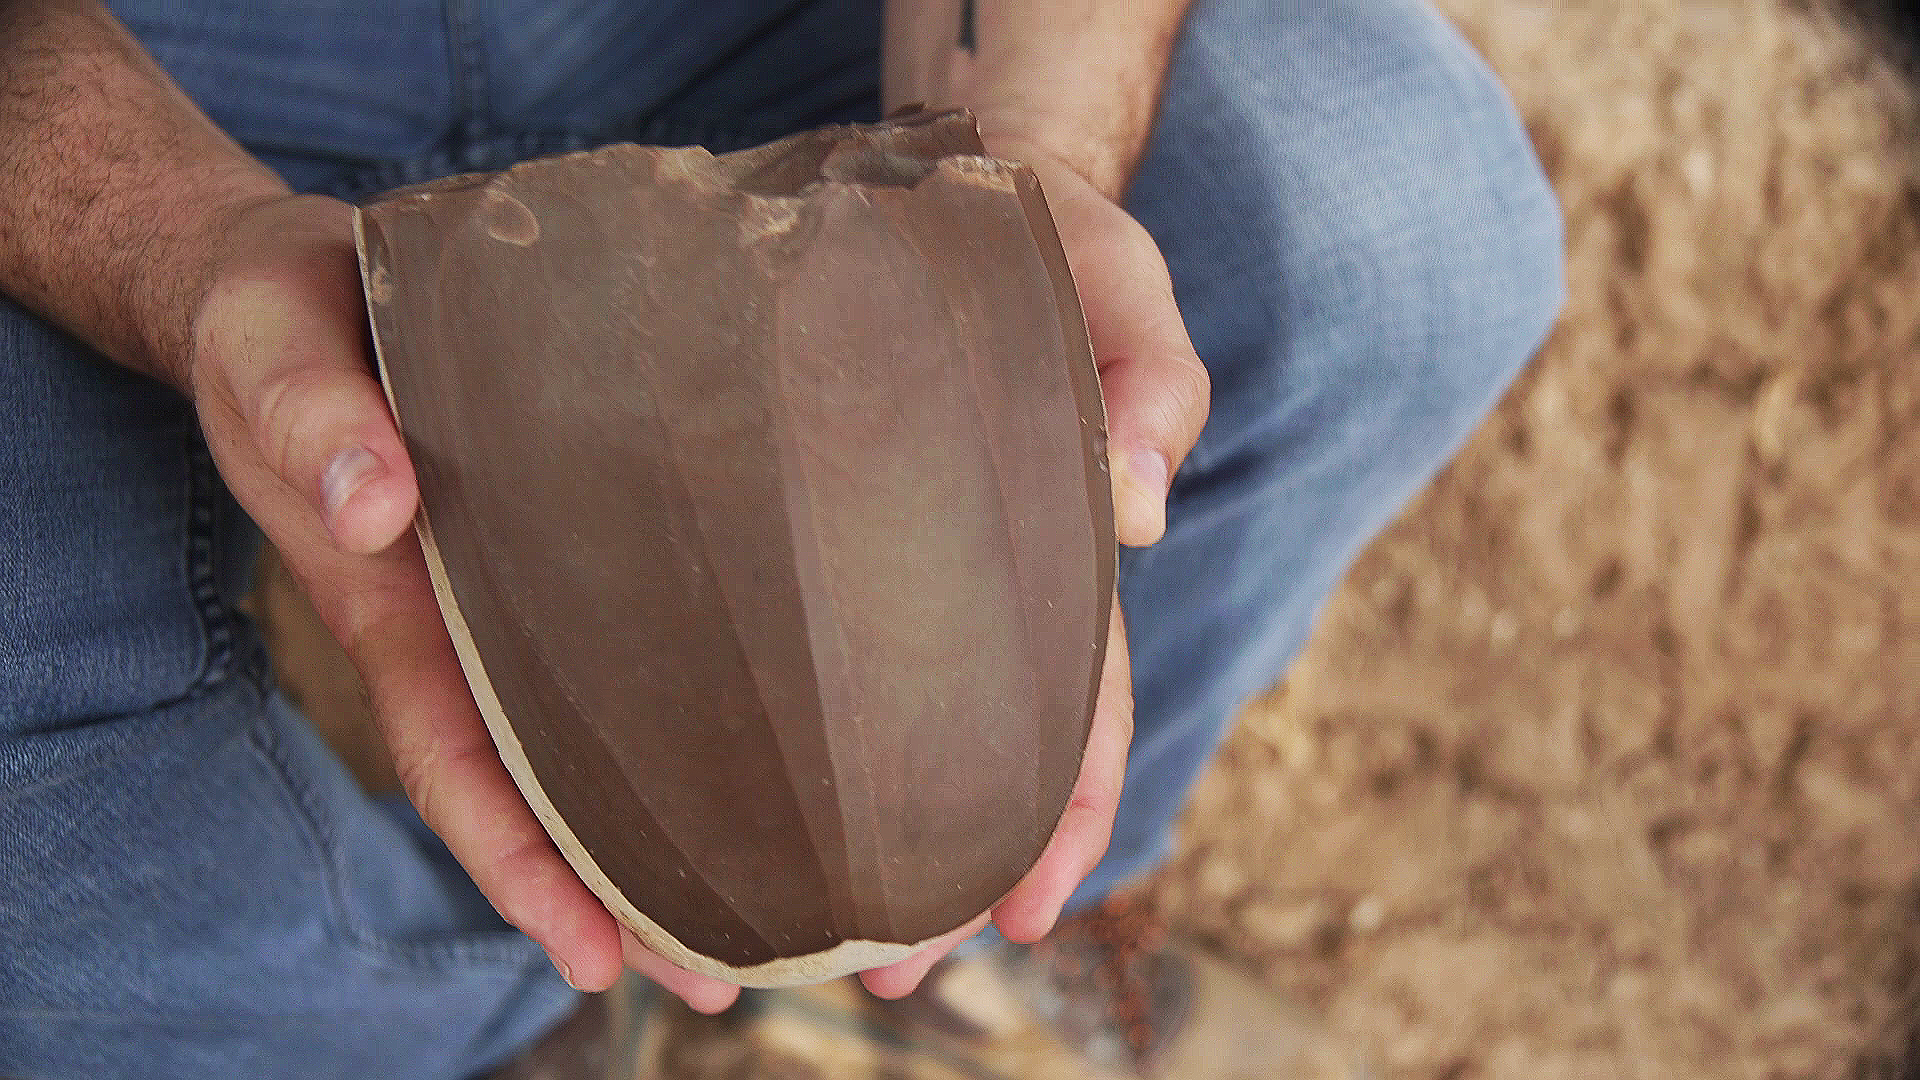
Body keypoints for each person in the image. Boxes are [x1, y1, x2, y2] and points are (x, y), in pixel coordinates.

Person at [0, 1, 1564, 1077]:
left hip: (770, 19)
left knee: (1408, 229)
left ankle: (989, 911)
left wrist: (1028, 173)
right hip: (129, 64)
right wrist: (176, 250)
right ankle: (482, 1009)